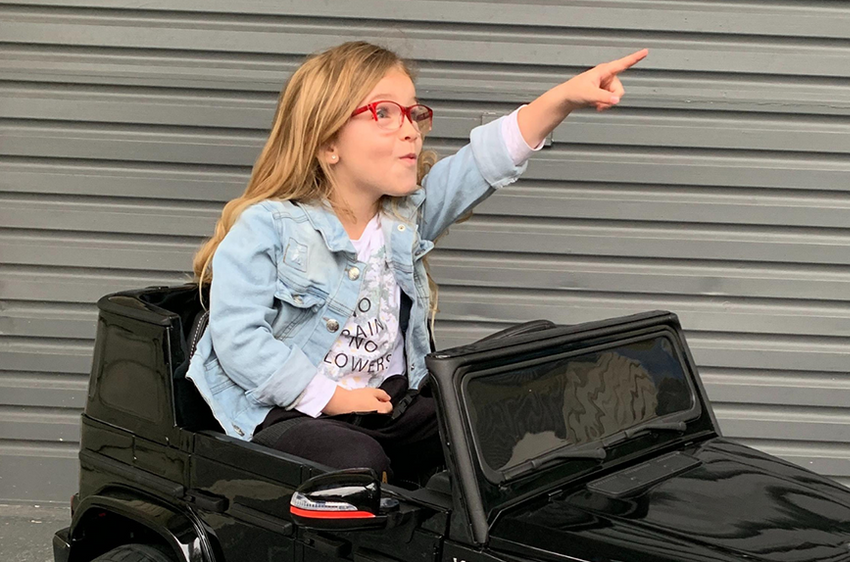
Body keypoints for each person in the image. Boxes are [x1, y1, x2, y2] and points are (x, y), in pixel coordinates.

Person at [187, 40, 647, 485]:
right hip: (297, 411)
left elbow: (481, 165)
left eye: (412, 113)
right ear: (328, 143)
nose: (409, 129)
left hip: (389, 407)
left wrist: (561, 98)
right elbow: (237, 337)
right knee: (355, 460)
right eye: (383, 114)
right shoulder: (267, 225)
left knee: (486, 417)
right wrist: (330, 397)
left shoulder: (406, 217)